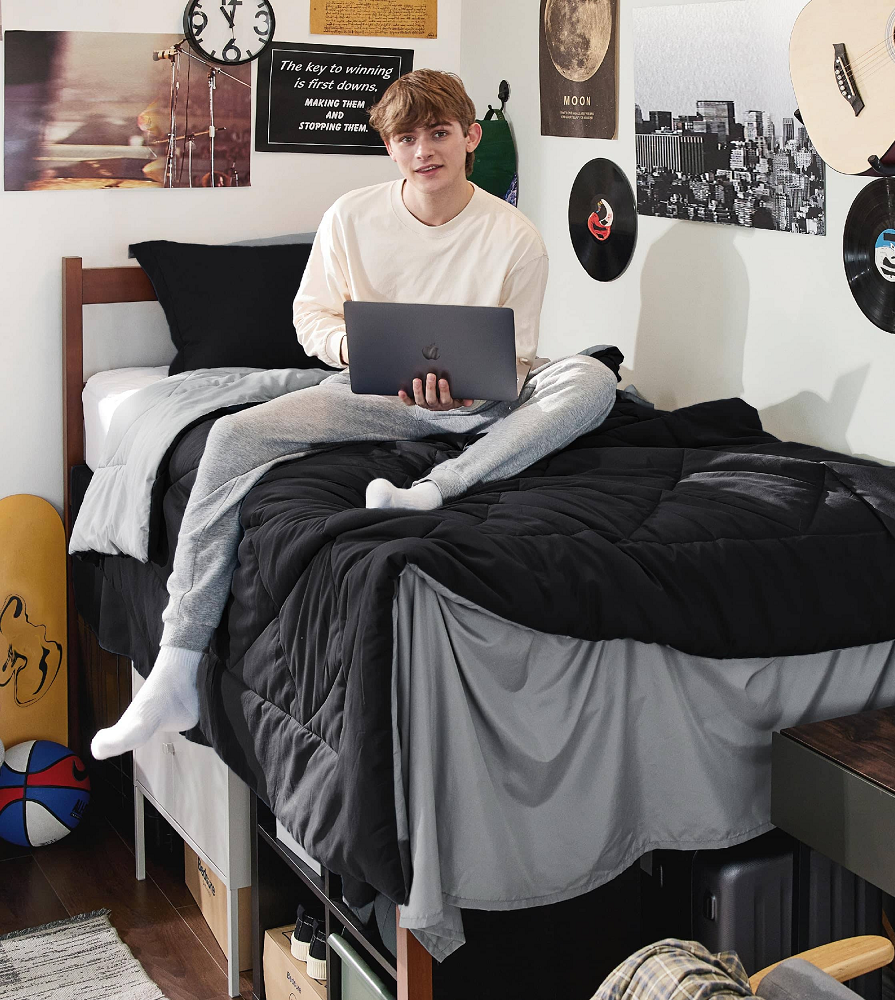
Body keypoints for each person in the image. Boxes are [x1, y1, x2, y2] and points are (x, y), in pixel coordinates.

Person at [91, 69, 618, 760]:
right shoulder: (350, 217)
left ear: (470, 138)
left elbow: (516, 357)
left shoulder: (515, 237)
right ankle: (176, 664)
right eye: (407, 138)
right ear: (390, 148)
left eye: (439, 133)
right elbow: (310, 318)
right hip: (370, 394)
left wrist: (472, 392)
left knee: (592, 379)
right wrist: (356, 350)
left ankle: (434, 489)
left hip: (482, 408)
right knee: (231, 435)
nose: (424, 150)